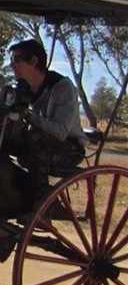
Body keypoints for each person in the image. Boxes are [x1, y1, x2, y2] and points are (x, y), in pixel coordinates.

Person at [8, 39, 86, 188]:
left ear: (33, 61)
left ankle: (41, 197)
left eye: (16, 60)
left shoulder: (62, 88)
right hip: (39, 143)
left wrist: (28, 116)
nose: (12, 65)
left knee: (34, 139)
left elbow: (61, 132)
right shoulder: (23, 89)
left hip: (70, 148)